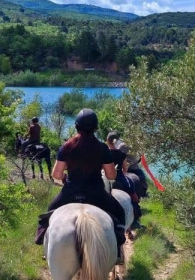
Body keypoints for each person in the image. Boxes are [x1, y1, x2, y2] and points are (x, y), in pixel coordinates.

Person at [35, 109, 127, 256]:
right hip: (96, 192)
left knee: (47, 215)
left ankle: (45, 247)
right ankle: (117, 252)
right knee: (120, 213)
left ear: (76, 126)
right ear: (95, 128)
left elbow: (56, 174)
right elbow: (110, 176)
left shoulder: (67, 146)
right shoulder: (102, 148)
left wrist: (65, 177)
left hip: (70, 192)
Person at [106, 131, 142, 226]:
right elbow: (125, 169)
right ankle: (135, 218)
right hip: (119, 177)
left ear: (107, 141)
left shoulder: (104, 152)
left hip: (105, 177)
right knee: (131, 188)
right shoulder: (121, 154)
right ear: (116, 141)